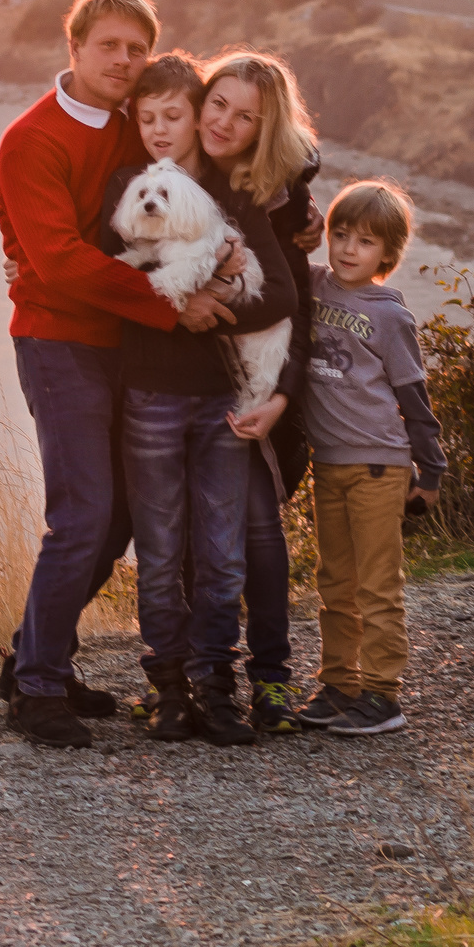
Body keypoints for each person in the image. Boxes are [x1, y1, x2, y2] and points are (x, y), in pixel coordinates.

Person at [0, 0, 234, 750]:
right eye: (110, 46)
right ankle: (35, 691)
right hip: (61, 340)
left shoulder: (139, 128)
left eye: (137, 48)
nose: (125, 61)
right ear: (75, 47)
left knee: (124, 511)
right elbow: (58, 261)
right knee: (83, 512)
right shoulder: (32, 139)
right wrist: (172, 306)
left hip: (129, 348)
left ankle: (38, 659)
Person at [95, 54, 297, 746]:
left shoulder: (237, 197)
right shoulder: (128, 188)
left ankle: (219, 684)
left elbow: (285, 295)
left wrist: (209, 306)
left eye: (176, 115)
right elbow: (102, 276)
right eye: (151, 118)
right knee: (158, 552)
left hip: (219, 399)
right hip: (149, 393)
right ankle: (169, 688)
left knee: (223, 553)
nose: (167, 128)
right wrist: (171, 307)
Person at [196, 49, 323, 732]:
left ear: (264, 130)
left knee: (259, 535)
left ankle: (271, 680)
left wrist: (282, 397)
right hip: (177, 385)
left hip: (257, 390)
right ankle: (199, 675)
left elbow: (294, 307)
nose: (225, 122)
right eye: (217, 103)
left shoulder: (277, 201)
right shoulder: (167, 171)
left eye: (246, 117)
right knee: (189, 537)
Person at [296, 180, 445, 737]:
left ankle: (383, 695)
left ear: (388, 254)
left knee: (376, 585)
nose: (349, 248)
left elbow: (414, 399)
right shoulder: (311, 285)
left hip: (380, 467)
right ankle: (338, 685)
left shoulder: (389, 316)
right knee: (333, 580)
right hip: (328, 463)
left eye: (365, 241)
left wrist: (430, 472)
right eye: (340, 234)